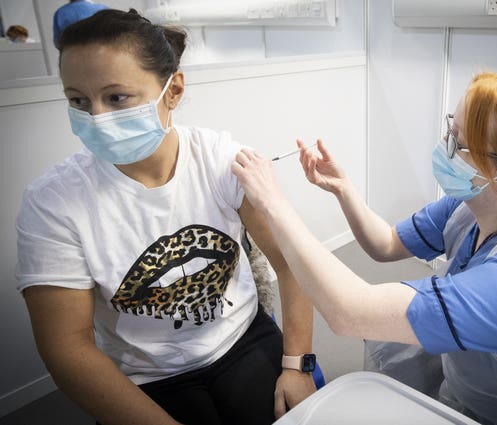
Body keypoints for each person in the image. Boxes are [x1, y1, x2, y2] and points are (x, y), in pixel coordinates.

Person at [232, 72, 497, 424]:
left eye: (460, 146)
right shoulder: (472, 205)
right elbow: (385, 244)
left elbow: (350, 312)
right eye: (450, 131)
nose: (444, 149)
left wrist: (273, 204)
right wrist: (344, 190)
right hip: (475, 386)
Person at [16, 9, 316, 425]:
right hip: (147, 376)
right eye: (78, 101)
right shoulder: (53, 203)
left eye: (117, 97)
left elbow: (291, 261)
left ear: (172, 91)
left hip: (242, 340)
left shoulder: (220, 161)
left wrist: (296, 363)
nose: (97, 118)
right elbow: (68, 347)